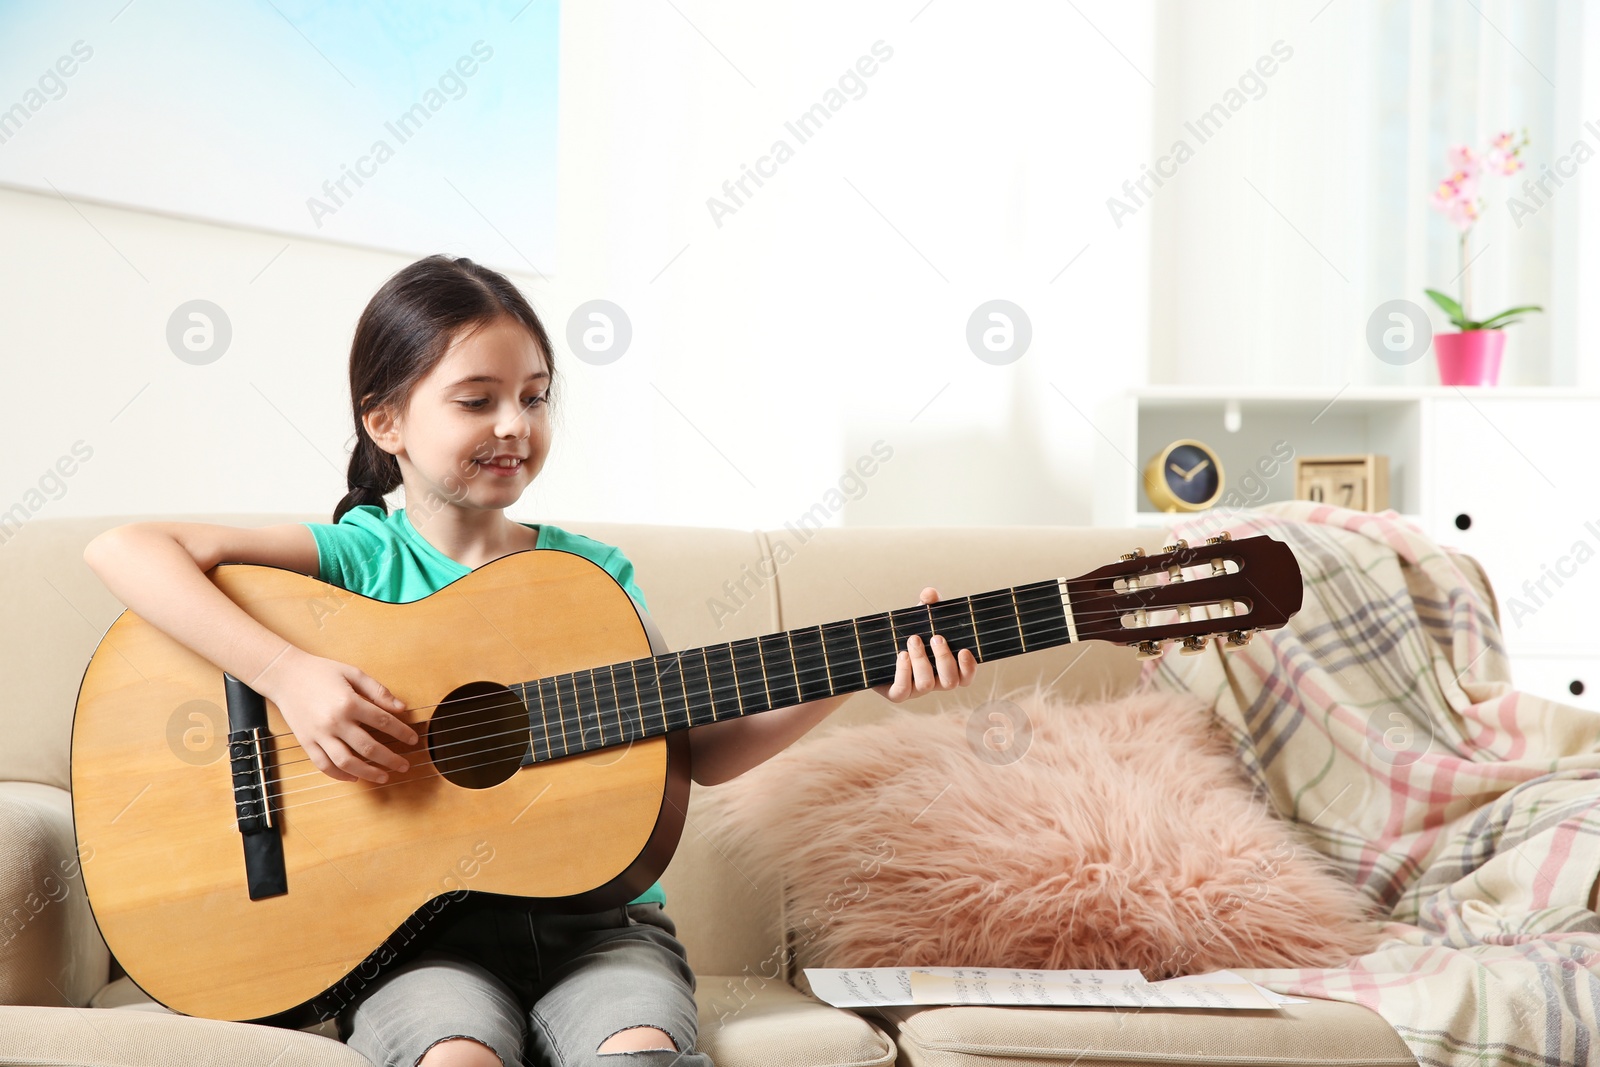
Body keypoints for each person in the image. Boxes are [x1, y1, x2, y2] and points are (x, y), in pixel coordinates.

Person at [82, 254, 979, 1067]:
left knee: (638, 1054)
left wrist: (853, 671)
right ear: (386, 419)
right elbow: (126, 548)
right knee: (455, 1058)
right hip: (411, 942)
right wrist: (288, 673)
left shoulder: (589, 577)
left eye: (536, 396)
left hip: (602, 929)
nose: (515, 423)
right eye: (477, 399)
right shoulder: (359, 560)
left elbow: (694, 752)